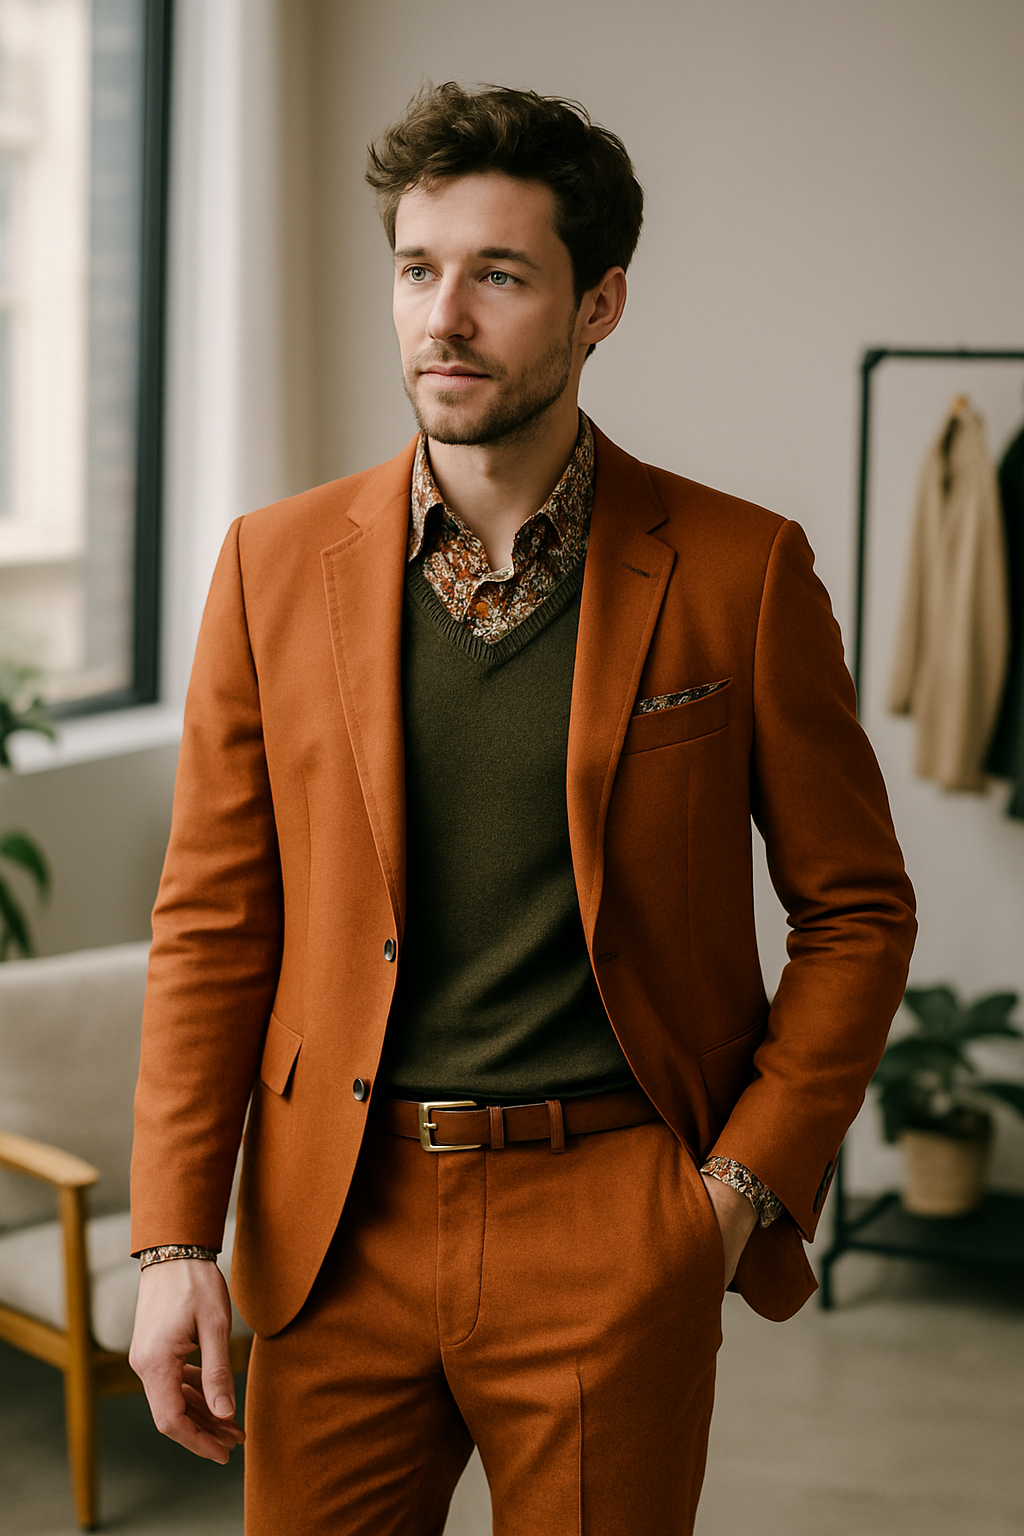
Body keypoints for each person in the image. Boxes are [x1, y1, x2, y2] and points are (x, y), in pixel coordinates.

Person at [129, 82, 916, 1535]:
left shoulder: (741, 572)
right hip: (333, 1226)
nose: (445, 319)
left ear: (598, 302)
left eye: (499, 275)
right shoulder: (268, 566)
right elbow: (213, 924)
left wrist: (736, 1191)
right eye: (418, 270)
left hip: (615, 1217)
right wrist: (174, 1239)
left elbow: (857, 909)